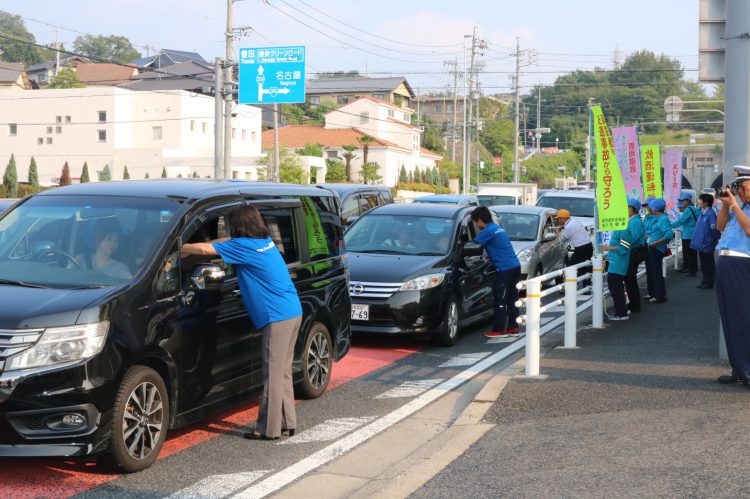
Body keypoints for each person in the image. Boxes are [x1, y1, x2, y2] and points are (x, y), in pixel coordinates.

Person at [180, 205, 303, 440]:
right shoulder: (263, 241)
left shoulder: (244, 247)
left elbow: (206, 249)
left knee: (272, 374)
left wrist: (177, 247)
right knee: (283, 372)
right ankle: (287, 422)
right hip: (291, 311)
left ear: (239, 225)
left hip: (276, 317)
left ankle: (268, 429)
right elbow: (226, 240)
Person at [715, 166, 750, 387]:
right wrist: (725, 206)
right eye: (738, 189)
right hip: (726, 262)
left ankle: (748, 369)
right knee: (729, 318)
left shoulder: (743, 209)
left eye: (745, 188)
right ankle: (738, 367)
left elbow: (748, 230)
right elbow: (720, 226)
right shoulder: (740, 207)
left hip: (743, 264)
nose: (740, 193)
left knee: (744, 318)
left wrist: (735, 206)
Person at [470, 207, 522, 338]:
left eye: (476, 222)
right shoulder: (498, 228)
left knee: (500, 299)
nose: (476, 225)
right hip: (515, 267)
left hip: (504, 269)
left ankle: (498, 330)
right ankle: (513, 327)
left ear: (481, 220)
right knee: (512, 299)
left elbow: (472, 245)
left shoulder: (488, 231)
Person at [600, 201, 632, 320]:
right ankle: (621, 311)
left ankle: (621, 313)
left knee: (616, 289)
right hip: (616, 262)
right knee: (616, 288)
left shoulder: (623, 227)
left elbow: (625, 246)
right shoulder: (620, 226)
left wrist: (608, 248)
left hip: (619, 263)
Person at [644, 198, 673, 304]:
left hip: (656, 248)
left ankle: (659, 296)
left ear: (655, 208)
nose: (649, 207)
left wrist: (655, 243)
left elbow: (669, 234)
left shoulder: (663, 219)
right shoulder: (659, 217)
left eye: (651, 206)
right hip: (653, 247)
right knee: (654, 272)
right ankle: (658, 294)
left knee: (656, 273)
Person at [691, 193, 720, 289]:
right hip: (701, 243)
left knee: (708, 264)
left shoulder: (710, 214)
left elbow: (714, 230)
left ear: (706, 203)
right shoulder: (702, 212)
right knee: (703, 264)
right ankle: (704, 281)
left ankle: (709, 282)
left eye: (700, 200)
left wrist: (715, 240)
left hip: (707, 243)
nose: (698, 201)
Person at [624, 198, 647, 313]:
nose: (626, 209)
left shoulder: (635, 222)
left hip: (634, 252)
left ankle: (634, 305)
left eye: (628, 207)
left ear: (633, 209)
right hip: (633, 251)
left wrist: (620, 246)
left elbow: (632, 239)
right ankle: (633, 304)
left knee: (630, 278)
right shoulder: (634, 220)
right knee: (630, 278)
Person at [671, 192, 700, 276]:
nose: (682, 202)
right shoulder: (693, 208)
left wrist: (670, 225)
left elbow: (681, 220)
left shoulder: (688, 209)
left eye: (683, 200)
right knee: (691, 253)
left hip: (688, 234)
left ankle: (691, 271)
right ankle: (689, 268)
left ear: (688, 200)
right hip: (691, 233)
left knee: (689, 253)